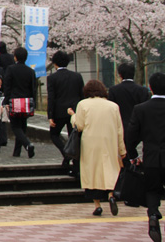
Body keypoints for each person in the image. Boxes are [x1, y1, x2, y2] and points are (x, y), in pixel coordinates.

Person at [68, 80, 126, 217]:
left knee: (92, 171)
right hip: (109, 141)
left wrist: (72, 116)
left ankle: (97, 205)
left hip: (90, 142)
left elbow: (79, 125)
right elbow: (119, 129)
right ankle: (111, 195)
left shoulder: (83, 104)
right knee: (109, 168)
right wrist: (122, 150)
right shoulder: (113, 106)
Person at [126, 72, 165, 242]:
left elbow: (130, 136)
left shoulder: (141, 109)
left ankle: (153, 215)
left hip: (151, 158)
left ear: (149, 87)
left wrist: (133, 155)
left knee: (152, 190)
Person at [47, 50, 85, 170]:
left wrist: (50, 115)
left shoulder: (52, 78)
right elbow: (82, 95)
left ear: (55, 63)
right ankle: (74, 161)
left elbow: (51, 97)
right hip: (74, 111)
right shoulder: (77, 76)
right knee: (73, 136)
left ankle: (66, 154)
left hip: (58, 111)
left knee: (54, 135)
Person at [3, 47, 36, 158]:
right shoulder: (30, 71)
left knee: (15, 127)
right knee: (22, 126)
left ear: (15, 57)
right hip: (26, 101)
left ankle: (27, 144)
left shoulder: (10, 69)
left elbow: (7, 86)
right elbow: (33, 88)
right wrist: (33, 102)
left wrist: (6, 100)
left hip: (14, 100)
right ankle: (17, 152)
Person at [109, 62, 151, 132]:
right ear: (133, 74)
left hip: (120, 127)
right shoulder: (143, 90)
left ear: (120, 75)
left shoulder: (113, 90)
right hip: (139, 128)